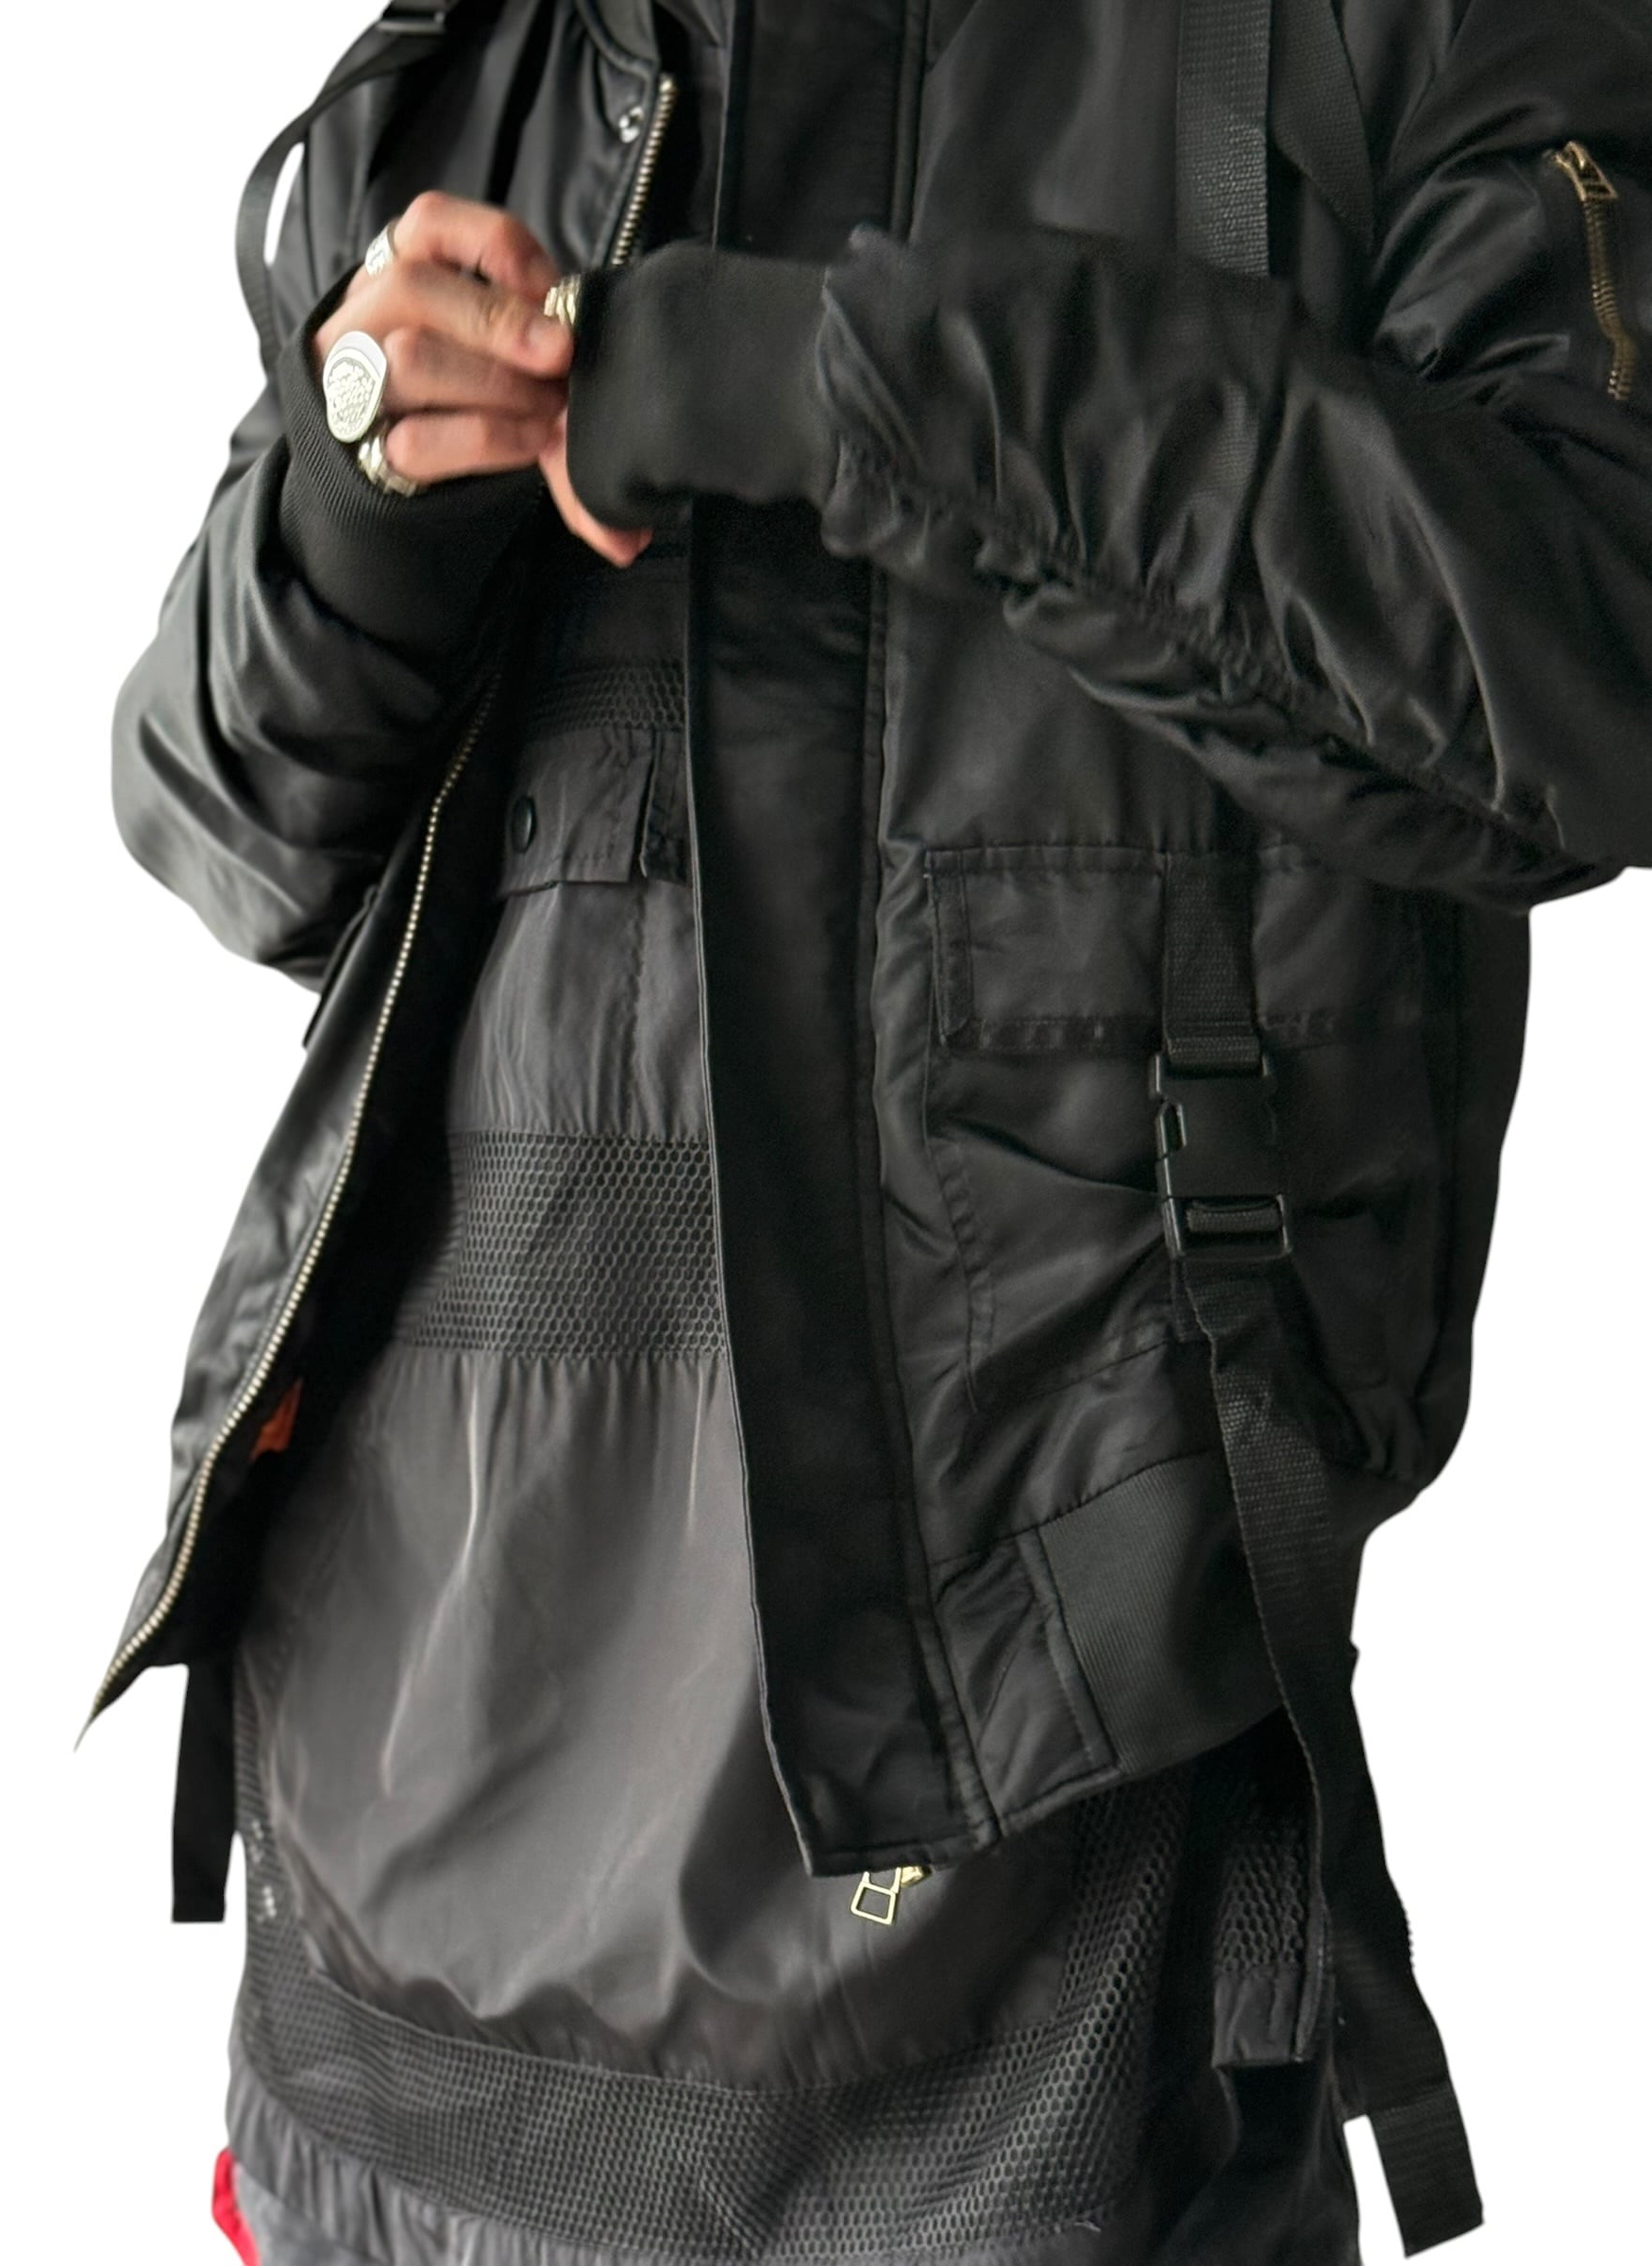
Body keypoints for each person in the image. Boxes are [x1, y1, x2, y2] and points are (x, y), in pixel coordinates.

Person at [91, 0, 1652, 2260]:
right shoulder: (509, 51)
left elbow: (1582, 668)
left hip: (1019, 1974)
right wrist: (360, 481)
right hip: (378, 1952)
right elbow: (220, 814)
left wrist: (830, 382)